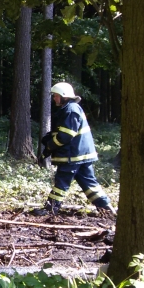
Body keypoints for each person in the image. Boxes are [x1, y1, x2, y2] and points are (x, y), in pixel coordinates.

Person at [32, 82, 116, 217]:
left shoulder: (71, 110)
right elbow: (62, 133)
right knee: (90, 184)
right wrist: (48, 144)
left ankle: (50, 209)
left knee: (61, 183)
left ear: (63, 96)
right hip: (80, 155)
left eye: (56, 95)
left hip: (72, 156)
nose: (54, 98)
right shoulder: (70, 109)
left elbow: (65, 136)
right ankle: (107, 209)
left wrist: (49, 146)